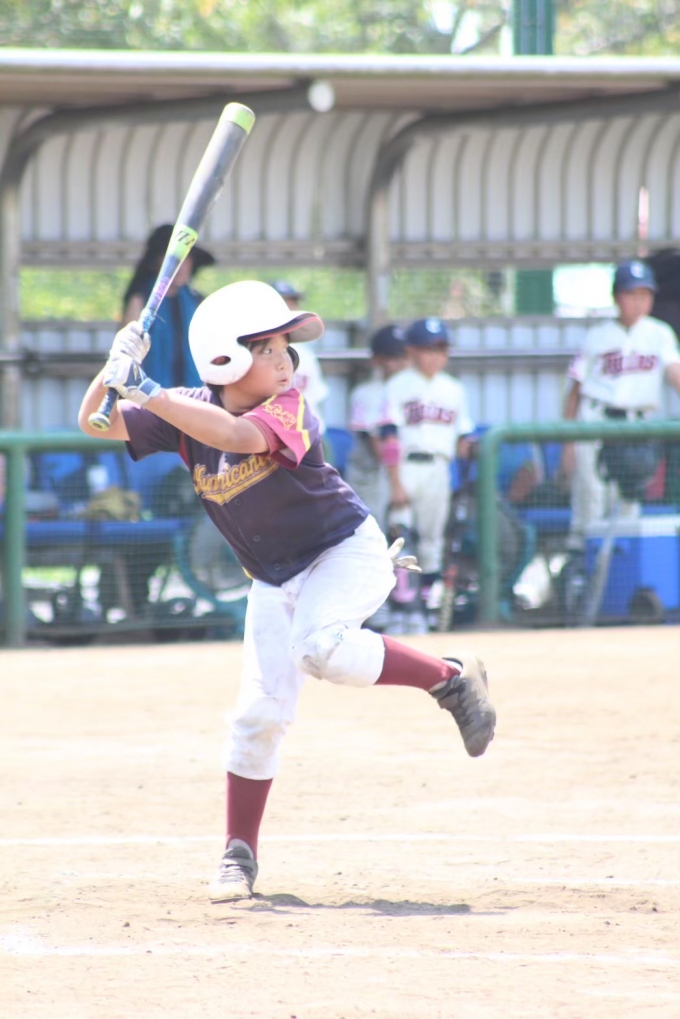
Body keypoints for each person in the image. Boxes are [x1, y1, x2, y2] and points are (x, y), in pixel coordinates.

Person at [78, 281, 496, 903]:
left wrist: (146, 390)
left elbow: (236, 437)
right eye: (268, 348)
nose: (285, 359)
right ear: (225, 358)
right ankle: (238, 854)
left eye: (284, 347)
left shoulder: (289, 406)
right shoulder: (184, 409)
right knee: (257, 715)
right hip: (273, 577)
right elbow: (95, 422)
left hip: (342, 552)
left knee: (320, 648)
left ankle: (449, 678)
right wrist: (115, 363)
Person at [562, 259, 680, 552]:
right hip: (597, 421)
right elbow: (574, 390)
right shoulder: (597, 336)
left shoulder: (660, 333)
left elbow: (675, 373)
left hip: (636, 425)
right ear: (616, 297)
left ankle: (622, 568)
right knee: (591, 497)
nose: (639, 301)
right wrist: (568, 443)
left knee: (629, 502)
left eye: (645, 294)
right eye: (632, 294)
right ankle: (584, 564)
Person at [386, 317, 475, 627]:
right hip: (406, 466)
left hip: (439, 467)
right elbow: (388, 436)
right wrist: (394, 482)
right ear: (411, 351)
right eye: (429, 349)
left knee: (432, 542)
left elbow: (463, 436)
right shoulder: (396, 386)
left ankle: (424, 612)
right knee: (400, 539)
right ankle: (401, 610)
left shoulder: (454, 389)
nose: (436, 356)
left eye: (441, 349)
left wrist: (468, 449)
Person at [123, 223, 215, 388]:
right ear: (156, 262)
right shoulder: (140, 302)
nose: (181, 266)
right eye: (173, 259)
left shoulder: (197, 303)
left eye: (186, 258)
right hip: (150, 395)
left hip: (193, 395)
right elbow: (127, 359)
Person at [346, 324, 408, 531]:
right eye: (393, 357)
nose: (401, 363)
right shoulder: (365, 393)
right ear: (377, 360)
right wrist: (397, 481)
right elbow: (376, 448)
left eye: (404, 356)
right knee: (374, 534)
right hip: (370, 477)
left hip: (402, 472)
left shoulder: (412, 390)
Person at [270, 280, 329, 430]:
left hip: (309, 431)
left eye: (292, 304)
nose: (289, 309)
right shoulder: (253, 352)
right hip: (271, 432)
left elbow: (316, 396)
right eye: (283, 304)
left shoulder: (306, 354)